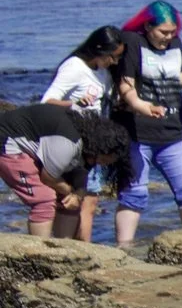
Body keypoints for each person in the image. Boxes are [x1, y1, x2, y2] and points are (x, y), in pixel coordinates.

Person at [114, 1, 182, 246]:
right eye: (163, 32)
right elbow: (126, 85)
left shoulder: (175, 43)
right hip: (136, 132)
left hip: (172, 131)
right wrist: (141, 106)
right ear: (147, 26)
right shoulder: (133, 43)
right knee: (134, 194)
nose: (168, 37)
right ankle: (124, 249)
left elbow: (180, 73)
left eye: (172, 32)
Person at [41, 25, 127, 241]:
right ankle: (83, 251)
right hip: (74, 143)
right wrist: (73, 104)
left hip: (94, 143)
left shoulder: (102, 71)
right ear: (98, 49)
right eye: (112, 57)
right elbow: (46, 102)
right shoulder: (74, 67)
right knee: (84, 201)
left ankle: (75, 246)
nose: (114, 62)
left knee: (89, 200)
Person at [0, 104, 129, 239]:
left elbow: (80, 176)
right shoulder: (68, 144)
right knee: (44, 199)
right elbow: (48, 177)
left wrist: (77, 195)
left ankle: (63, 247)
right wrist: (70, 191)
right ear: (100, 149)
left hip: (25, 143)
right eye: (103, 161)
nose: (103, 165)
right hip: (6, 142)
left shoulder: (86, 140)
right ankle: (39, 253)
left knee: (68, 200)